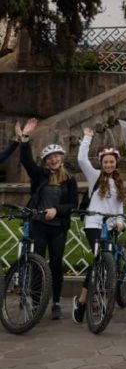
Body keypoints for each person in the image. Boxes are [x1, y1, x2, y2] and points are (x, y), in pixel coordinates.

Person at [16, 118, 78, 321]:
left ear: (61, 157)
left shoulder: (69, 179)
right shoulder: (40, 175)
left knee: (56, 264)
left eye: (56, 156)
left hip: (58, 227)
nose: (53, 159)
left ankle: (56, 302)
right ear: (46, 160)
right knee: (36, 263)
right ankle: (35, 303)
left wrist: (57, 210)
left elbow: (72, 205)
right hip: (39, 225)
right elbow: (26, 162)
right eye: (50, 157)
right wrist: (25, 138)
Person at [72, 127, 126, 324]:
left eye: (112, 162)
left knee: (106, 263)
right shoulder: (95, 176)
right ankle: (83, 300)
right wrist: (87, 137)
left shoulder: (118, 182)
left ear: (116, 163)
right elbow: (81, 160)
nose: (109, 165)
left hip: (110, 225)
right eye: (106, 162)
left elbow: (119, 205)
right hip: (93, 223)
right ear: (101, 163)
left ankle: (100, 296)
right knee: (98, 260)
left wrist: (120, 222)